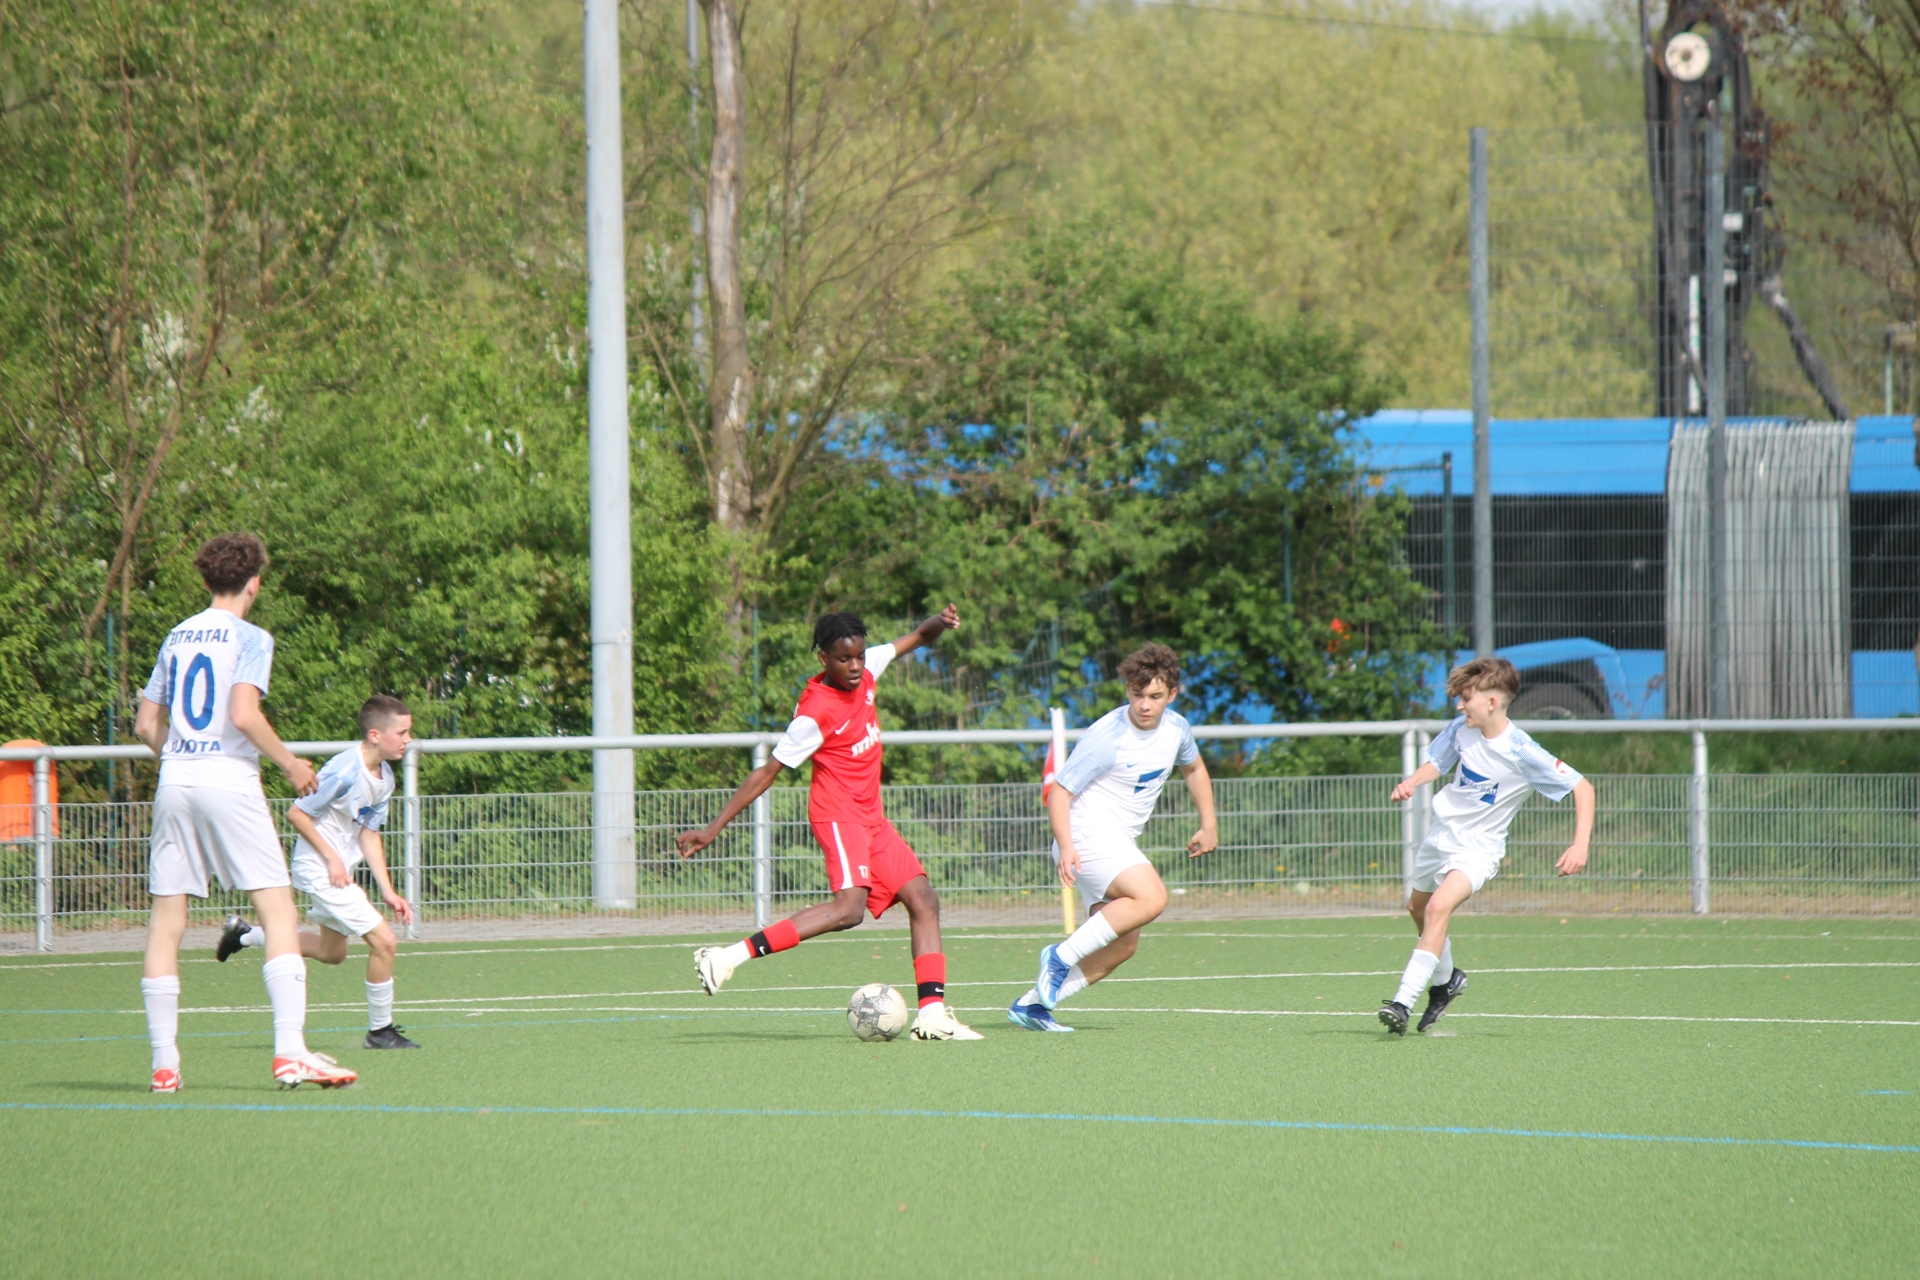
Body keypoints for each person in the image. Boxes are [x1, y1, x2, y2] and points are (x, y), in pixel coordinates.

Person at [675, 608, 981, 1040]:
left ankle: (931, 1017)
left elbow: (916, 637)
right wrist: (714, 827)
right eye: (843, 659)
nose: (854, 666)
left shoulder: (867, 668)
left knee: (924, 899)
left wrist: (940, 621)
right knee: (849, 910)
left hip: (871, 817)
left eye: (859, 656)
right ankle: (725, 958)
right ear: (823, 658)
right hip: (838, 815)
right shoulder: (815, 713)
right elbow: (766, 772)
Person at [134, 533, 354, 1091]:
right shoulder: (251, 637)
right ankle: (290, 1053)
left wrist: (182, 759)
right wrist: (291, 765)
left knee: (167, 921)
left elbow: (145, 724)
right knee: (277, 910)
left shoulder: (176, 635)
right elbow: (243, 714)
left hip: (175, 780)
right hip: (229, 780)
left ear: (207, 581)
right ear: (254, 583)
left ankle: (164, 1066)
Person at [1379, 656, 1595, 1035]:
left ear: (1492, 702)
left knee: (1439, 907)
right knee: (1418, 908)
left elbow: (1583, 787)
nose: (1459, 706)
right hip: (1441, 835)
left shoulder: (1521, 751)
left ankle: (1402, 1002)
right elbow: (1438, 763)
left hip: (1478, 849)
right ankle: (1446, 982)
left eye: (1466, 699)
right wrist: (1413, 781)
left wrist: (1580, 845)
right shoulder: (1461, 729)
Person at [1009, 644, 1217, 1032]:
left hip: (1115, 840)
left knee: (1123, 945)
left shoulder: (1178, 729)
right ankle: (1058, 957)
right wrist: (1066, 846)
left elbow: (1194, 769)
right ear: (1127, 691)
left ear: (1172, 694)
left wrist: (1209, 824)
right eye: (1137, 694)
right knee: (1152, 897)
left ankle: (1032, 1006)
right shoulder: (1108, 737)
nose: (1144, 705)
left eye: (1155, 696)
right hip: (1084, 833)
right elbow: (1059, 793)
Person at [219, 694, 419, 1050]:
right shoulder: (344, 771)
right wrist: (331, 859)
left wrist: (388, 890)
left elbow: (368, 834)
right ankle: (380, 1032)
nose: (408, 740)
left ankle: (246, 935)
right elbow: (297, 813)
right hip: (320, 869)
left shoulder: (385, 776)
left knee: (332, 952)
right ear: (375, 735)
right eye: (401, 733)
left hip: (336, 871)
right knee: (385, 942)